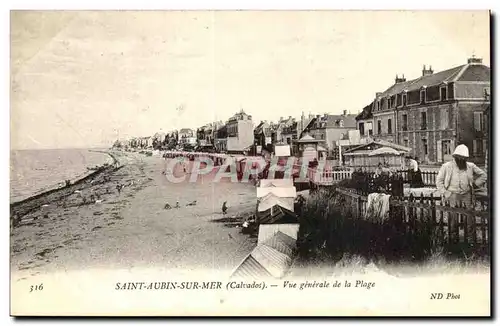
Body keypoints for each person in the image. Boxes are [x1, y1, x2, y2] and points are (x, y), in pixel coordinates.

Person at [436, 144, 487, 242]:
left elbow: (483, 175)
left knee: (469, 218)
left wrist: (475, 185)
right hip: (452, 195)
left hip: (467, 195)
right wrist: (446, 193)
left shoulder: (470, 166)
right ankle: (453, 240)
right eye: (460, 158)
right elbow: (439, 181)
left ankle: (470, 240)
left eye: (464, 158)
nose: (462, 160)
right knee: (453, 219)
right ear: (455, 157)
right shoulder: (446, 167)